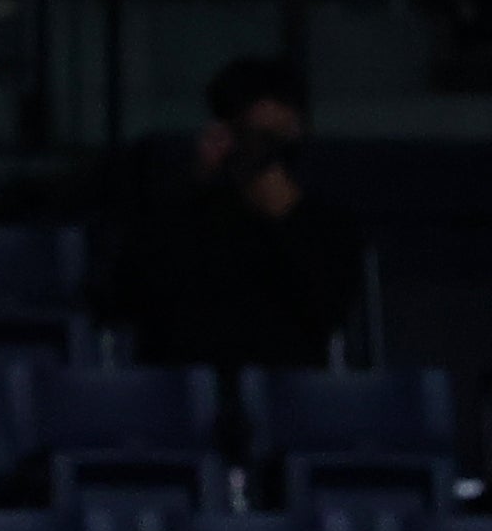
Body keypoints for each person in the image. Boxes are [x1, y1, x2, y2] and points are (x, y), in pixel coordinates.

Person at [116, 56, 368, 377]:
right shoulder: (188, 214)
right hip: (191, 383)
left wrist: (284, 217)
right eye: (248, 135)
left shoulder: (327, 224)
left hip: (285, 386)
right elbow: (131, 294)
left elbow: (326, 308)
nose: (257, 152)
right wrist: (197, 186)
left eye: (269, 139)